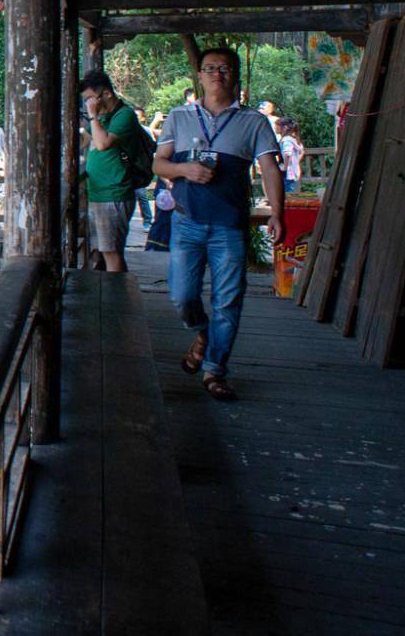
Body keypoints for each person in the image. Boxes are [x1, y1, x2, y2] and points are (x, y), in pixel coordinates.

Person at [155, 46, 284, 402]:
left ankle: (214, 370)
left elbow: (271, 168)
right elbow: (159, 164)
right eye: (209, 68)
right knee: (182, 296)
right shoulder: (180, 117)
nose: (217, 74)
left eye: (224, 68)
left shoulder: (252, 122)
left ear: (235, 75)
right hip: (187, 223)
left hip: (229, 225)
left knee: (228, 301)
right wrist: (184, 170)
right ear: (199, 75)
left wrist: (276, 212)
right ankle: (204, 332)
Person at [81, 68, 153, 274]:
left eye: (91, 99)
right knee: (104, 251)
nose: (89, 105)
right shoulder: (104, 117)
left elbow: (103, 143)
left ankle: (117, 297)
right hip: (99, 192)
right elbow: (84, 140)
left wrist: (92, 117)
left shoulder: (125, 115)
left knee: (112, 252)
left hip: (114, 193)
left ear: (107, 94)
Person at [278, 119, 304, 193]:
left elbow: (288, 153)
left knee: (287, 192)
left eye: (277, 126)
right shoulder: (293, 139)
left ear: (285, 127)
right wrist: (295, 163)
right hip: (292, 170)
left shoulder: (286, 140)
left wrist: (285, 167)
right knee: (289, 190)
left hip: (288, 171)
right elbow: (301, 151)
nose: (275, 128)